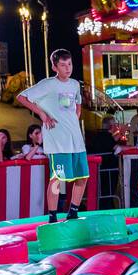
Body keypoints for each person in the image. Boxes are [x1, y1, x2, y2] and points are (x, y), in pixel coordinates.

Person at [17, 49, 90, 222]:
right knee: (57, 179)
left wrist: (73, 119)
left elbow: (78, 103)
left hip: (76, 139)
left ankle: (73, 212)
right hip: (57, 141)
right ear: (54, 66)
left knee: (82, 177)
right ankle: (52, 216)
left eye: (69, 64)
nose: (67, 68)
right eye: (63, 65)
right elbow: (22, 97)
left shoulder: (74, 84)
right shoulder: (47, 84)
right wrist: (42, 115)